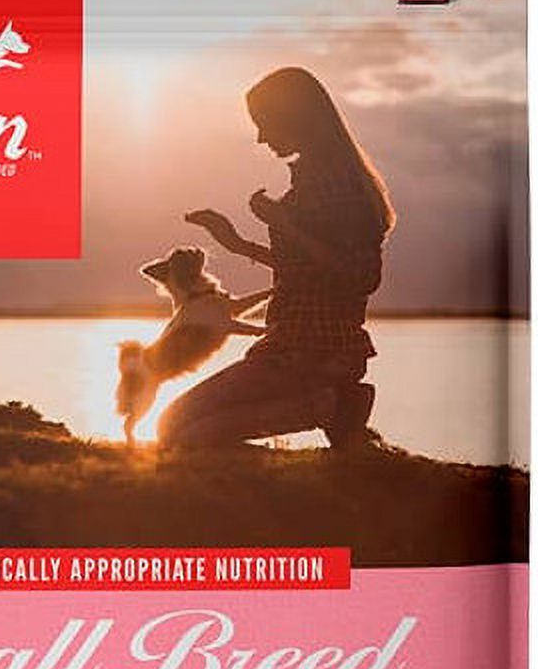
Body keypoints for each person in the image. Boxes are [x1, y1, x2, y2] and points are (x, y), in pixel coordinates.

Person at [159, 66, 396, 449]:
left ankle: (329, 407)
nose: (260, 137)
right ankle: (333, 408)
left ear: (294, 118)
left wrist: (284, 224)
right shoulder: (316, 180)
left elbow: (360, 277)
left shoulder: (337, 188)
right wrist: (237, 244)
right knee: (173, 428)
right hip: (290, 346)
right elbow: (306, 272)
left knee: (179, 434)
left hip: (312, 353)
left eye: (264, 123)